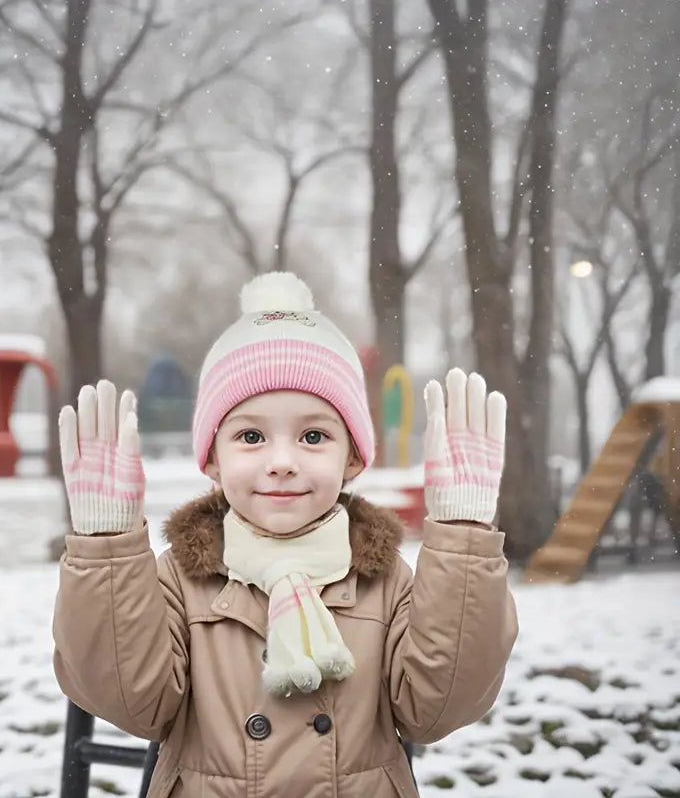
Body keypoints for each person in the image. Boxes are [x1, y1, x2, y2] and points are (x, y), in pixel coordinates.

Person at [52, 271, 518, 798]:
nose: (281, 462)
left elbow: (438, 709)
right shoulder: (179, 581)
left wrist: (462, 540)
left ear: (352, 457)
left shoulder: (384, 581)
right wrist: (107, 552)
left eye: (313, 435)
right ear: (211, 458)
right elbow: (131, 702)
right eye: (251, 436)